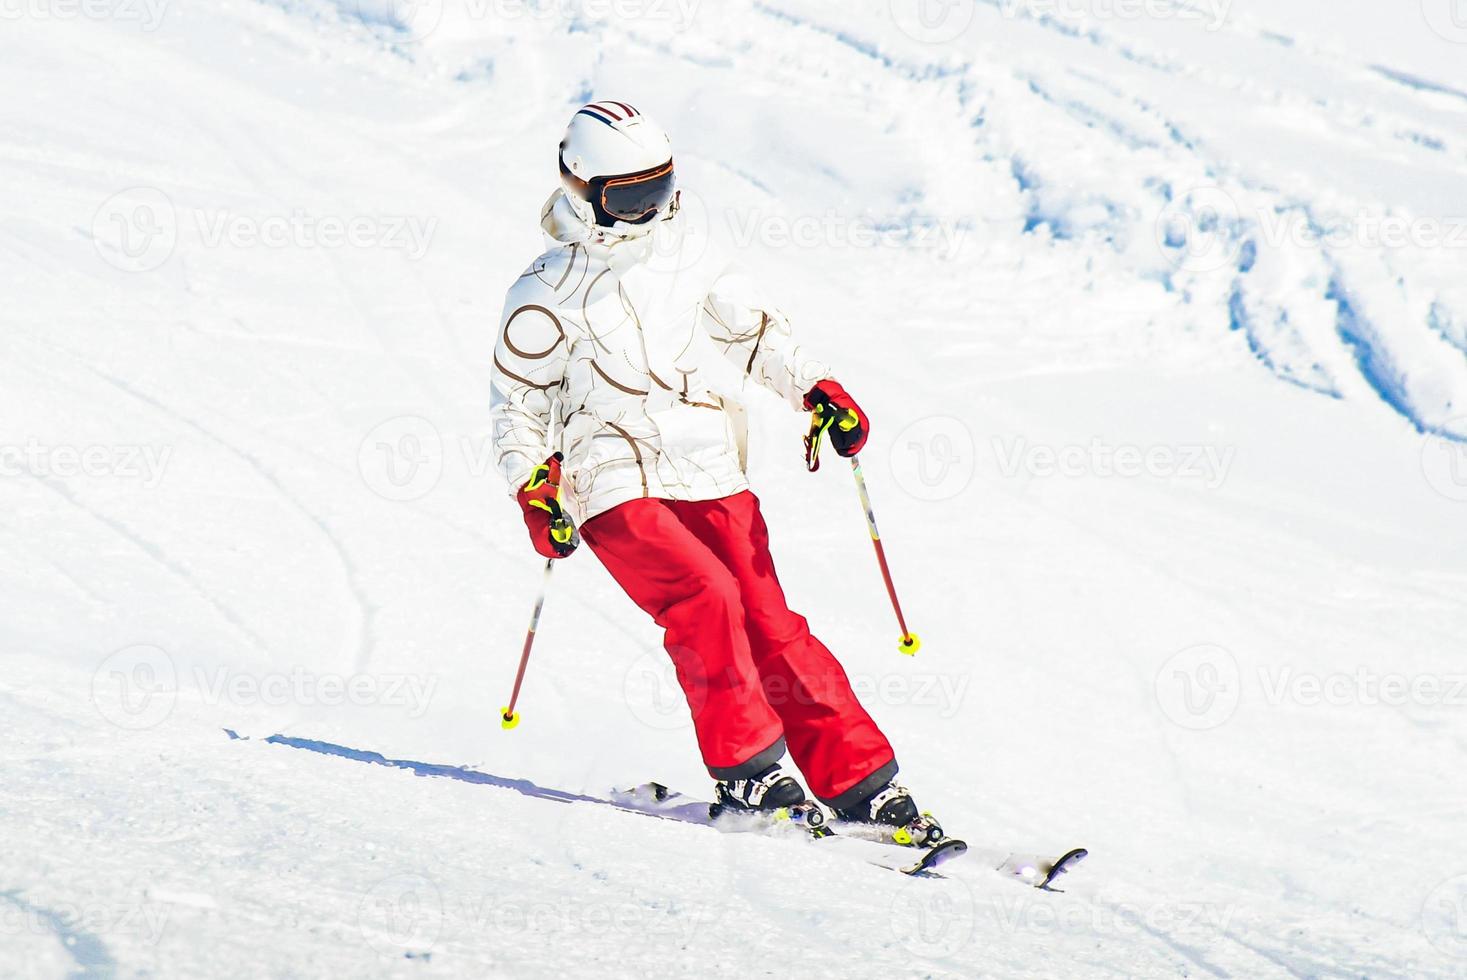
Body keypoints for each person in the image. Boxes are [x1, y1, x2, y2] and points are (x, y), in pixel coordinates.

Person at [490, 101, 934, 834]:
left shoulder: (685, 249)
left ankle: (860, 783)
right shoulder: (543, 290)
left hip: (703, 457)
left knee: (771, 623)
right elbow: (517, 402)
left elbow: (752, 332)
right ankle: (749, 774)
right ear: (582, 188)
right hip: (608, 475)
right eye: (628, 198)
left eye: (658, 190)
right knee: (704, 596)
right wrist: (532, 486)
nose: (647, 212)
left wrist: (814, 389)